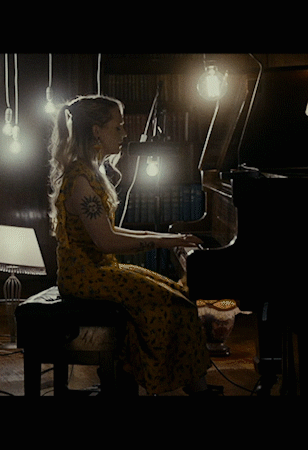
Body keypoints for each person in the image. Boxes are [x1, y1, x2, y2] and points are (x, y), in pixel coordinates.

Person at [47, 94, 219, 396]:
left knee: (178, 293)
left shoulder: (91, 172)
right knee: (173, 304)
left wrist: (169, 239)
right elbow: (107, 241)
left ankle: (182, 383)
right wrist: (163, 241)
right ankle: (185, 386)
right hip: (85, 278)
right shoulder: (80, 179)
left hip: (99, 271)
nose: (124, 134)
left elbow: (109, 231)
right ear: (97, 131)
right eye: (118, 127)